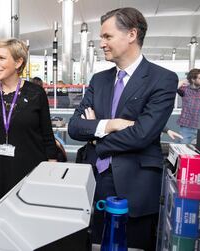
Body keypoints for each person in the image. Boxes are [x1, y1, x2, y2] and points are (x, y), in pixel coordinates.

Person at [68, 8, 178, 250]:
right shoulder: (99, 79)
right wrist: (111, 124)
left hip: (134, 185)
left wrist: (96, 136)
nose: (102, 43)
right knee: (93, 243)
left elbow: (142, 134)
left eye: (107, 36)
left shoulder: (162, 79)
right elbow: (74, 127)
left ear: (131, 34)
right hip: (94, 181)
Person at [0, 38, 57, 204]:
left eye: (1, 58)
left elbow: (48, 138)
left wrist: (50, 177)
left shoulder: (36, 93)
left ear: (18, 62)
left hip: (33, 175)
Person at [176, 68, 200, 144]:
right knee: (183, 150)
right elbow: (171, 88)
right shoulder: (184, 90)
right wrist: (183, 81)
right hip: (187, 127)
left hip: (199, 126)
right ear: (193, 79)